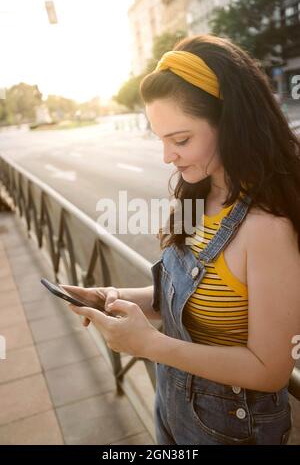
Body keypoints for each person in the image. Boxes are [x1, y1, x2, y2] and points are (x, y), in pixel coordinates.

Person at [61, 34, 300, 445]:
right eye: (162, 140)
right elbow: (180, 298)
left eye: (181, 139)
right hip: (173, 406)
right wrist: (113, 297)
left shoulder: (266, 228)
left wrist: (148, 344)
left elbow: (270, 369)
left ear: (231, 123)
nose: (167, 156)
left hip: (232, 428)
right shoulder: (199, 193)